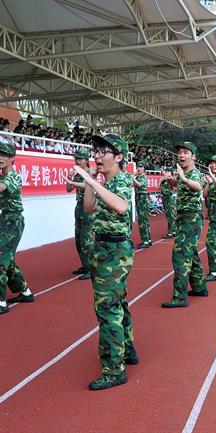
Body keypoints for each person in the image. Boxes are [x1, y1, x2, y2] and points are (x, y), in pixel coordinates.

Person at [72, 134, 137, 390]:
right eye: (96, 151)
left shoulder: (121, 180)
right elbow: (89, 207)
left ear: (118, 157)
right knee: (117, 301)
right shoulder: (105, 181)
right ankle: (127, 349)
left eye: (103, 152)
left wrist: (91, 181)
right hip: (103, 248)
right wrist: (91, 181)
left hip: (115, 249)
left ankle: (113, 369)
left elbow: (121, 206)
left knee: (107, 308)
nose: (97, 156)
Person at [161, 142, 208, 308]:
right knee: (191, 253)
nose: (181, 155)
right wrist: (170, 180)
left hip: (191, 218)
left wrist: (183, 177)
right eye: (179, 152)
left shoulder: (194, 173)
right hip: (182, 218)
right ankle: (200, 287)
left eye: (185, 152)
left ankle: (180, 297)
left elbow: (198, 187)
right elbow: (176, 184)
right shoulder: (183, 173)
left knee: (180, 255)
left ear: (193, 157)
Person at [0, 142, 33, 315]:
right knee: (7, 259)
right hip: (5, 218)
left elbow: (2, 187)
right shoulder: (2, 176)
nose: (0, 158)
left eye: (4, 155)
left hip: (13, 221)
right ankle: (25, 292)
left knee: (1, 259)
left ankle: (1, 302)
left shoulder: (12, 176)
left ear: (12, 158)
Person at [66, 149, 95, 280]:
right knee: (78, 239)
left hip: (88, 207)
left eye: (80, 159)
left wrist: (73, 182)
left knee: (86, 240)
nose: (77, 161)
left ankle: (91, 268)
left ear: (86, 160)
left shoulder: (90, 172)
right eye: (76, 159)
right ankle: (85, 265)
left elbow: (88, 185)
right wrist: (69, 178)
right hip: (79, 207)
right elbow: (69, 189)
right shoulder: (77, 173)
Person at [132, 162, 152, 248]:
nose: (138, 168)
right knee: (144, 220)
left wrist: (132, 177)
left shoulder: (143, 177)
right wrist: (133, 177)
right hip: (139, 198)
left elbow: (139, 185)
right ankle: (148, 239)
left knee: (143, 221)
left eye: (140, 167)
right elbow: (131, 185)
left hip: (142, 199)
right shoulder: (138, 177)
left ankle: (145, 240)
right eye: (138, 167)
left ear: (144, 168)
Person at [160, 167, 177, 238]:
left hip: (169, 197)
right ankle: (174, 231)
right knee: (168, 215)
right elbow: (159, 187)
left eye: (168, 171)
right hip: (165, 198)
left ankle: (171, 232)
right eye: (166, 171)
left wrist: (166, 177)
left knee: (171, 215)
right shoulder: (164, 179)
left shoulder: (170, 179)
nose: (166, 172)